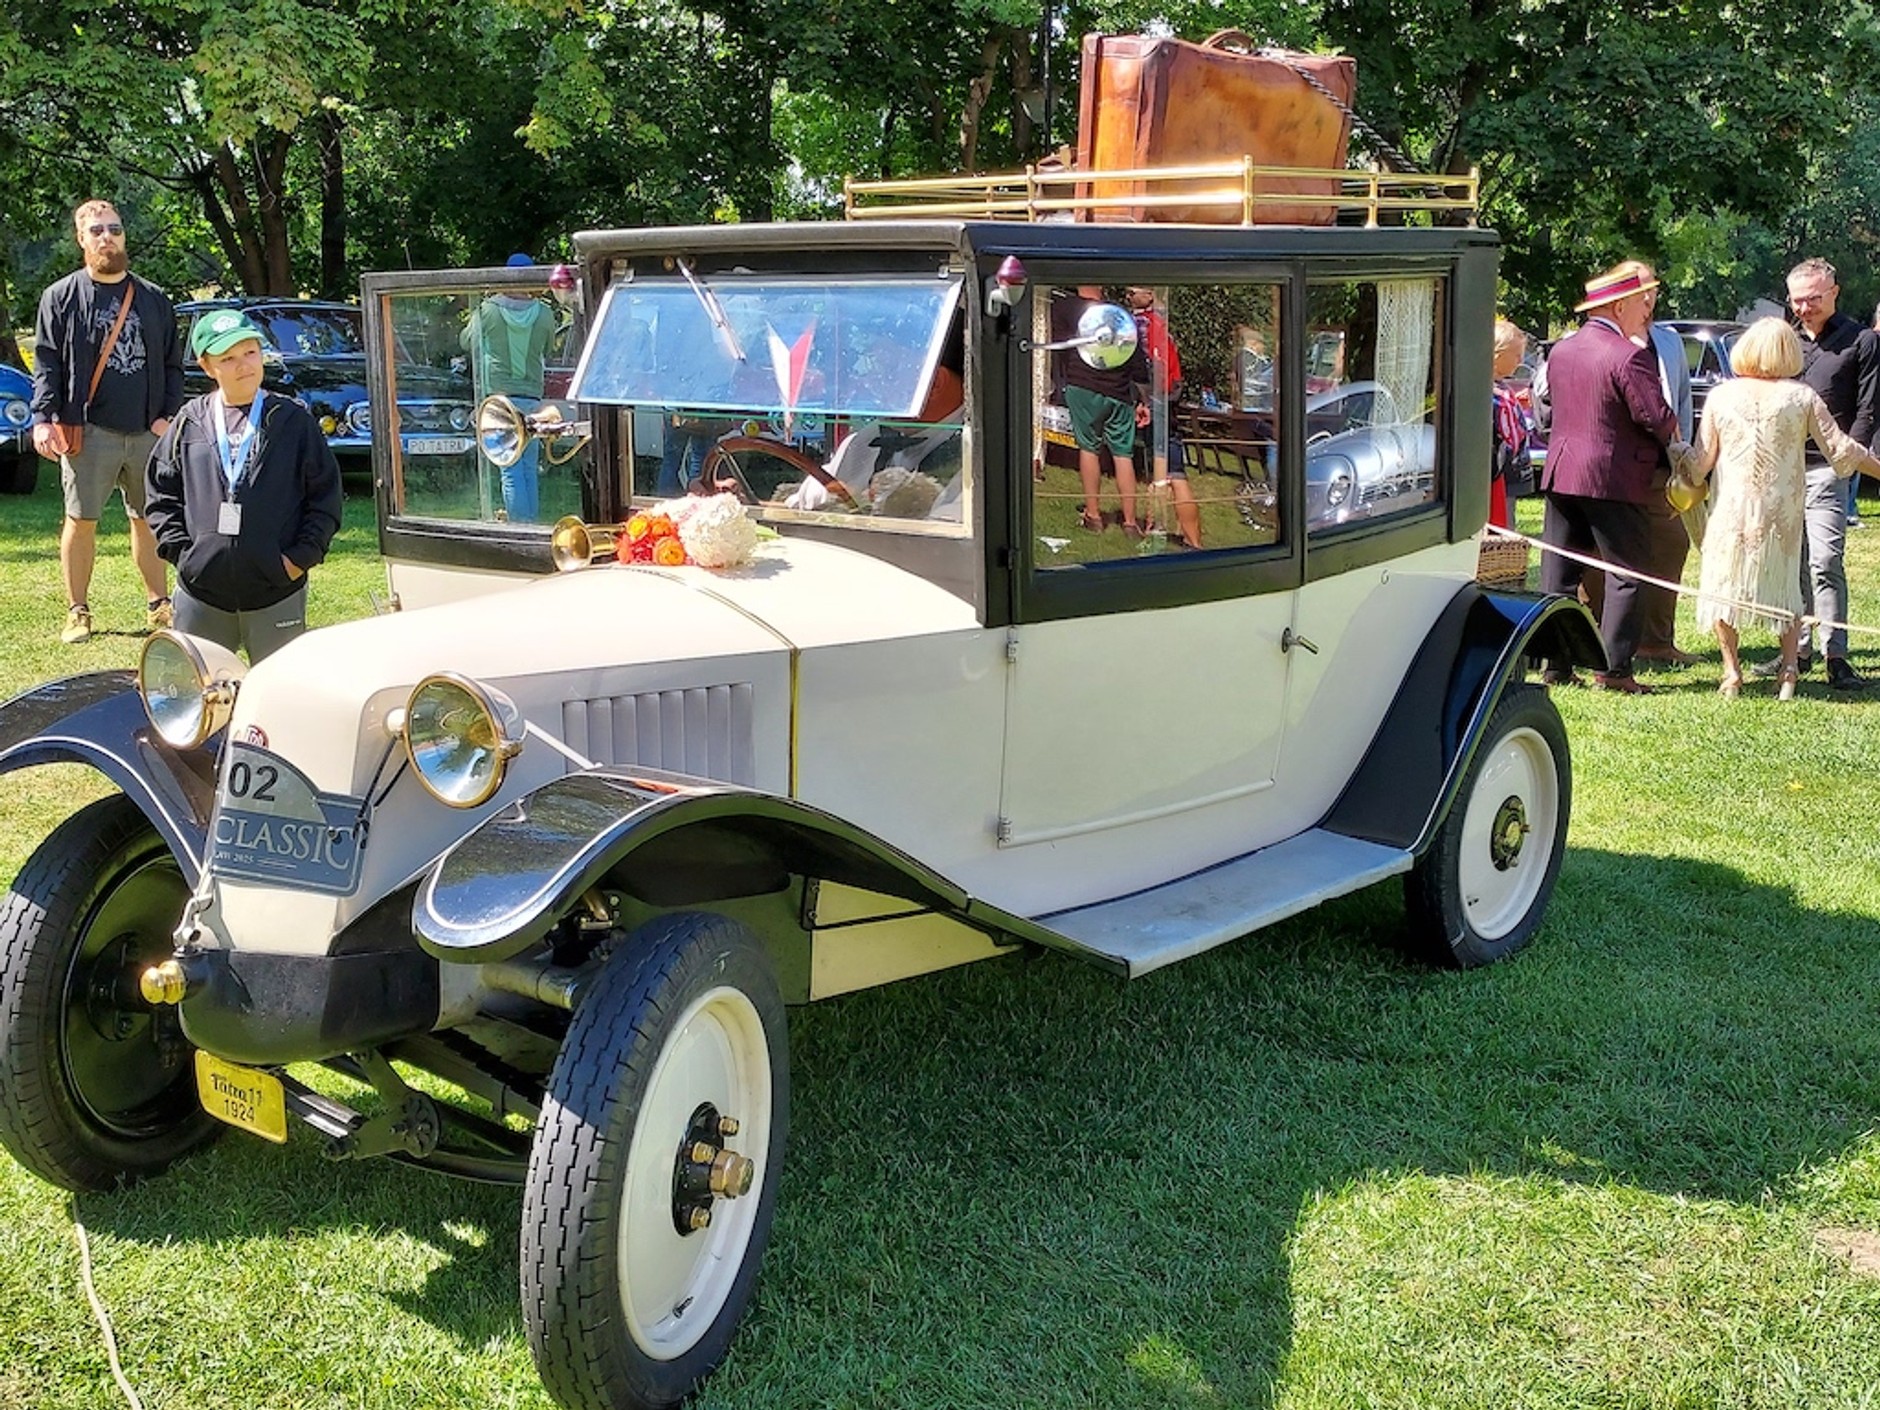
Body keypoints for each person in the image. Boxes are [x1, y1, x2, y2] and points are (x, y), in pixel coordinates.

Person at [1688, 318, 1880, 698]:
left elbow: (1700, 463)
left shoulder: (1720, 396)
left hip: (1732, 508)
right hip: (1783, 511)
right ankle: (1790, 670)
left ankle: (1732, 673)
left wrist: (1676, 454)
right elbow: (1840, 449)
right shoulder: (1802, 396)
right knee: (1787, 587)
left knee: (1724, 585)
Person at [144, 308, 342, 663]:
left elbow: (324, 497)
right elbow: (161, 495)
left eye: (250, 352)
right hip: (201, 594)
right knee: (201, 690)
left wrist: (297, 560)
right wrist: (185, 557)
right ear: (207, 367)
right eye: (228, 358)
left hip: (276, 591)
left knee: (278, 689)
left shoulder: (292, 420)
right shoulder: (189, 421)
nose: (243, 365)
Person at [29, 199, 182, 644]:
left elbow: (173, 364)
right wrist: (43, 418)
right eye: (96, 231)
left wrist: (167, 417)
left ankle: (159, 604)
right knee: (81, 520)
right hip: (87, 429)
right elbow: (46, 363)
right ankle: (78, 610)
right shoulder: (60, 297)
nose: (107, 238)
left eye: (114, 229)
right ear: (81, 238)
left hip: (147, 431)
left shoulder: (153, 298)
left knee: (148, 520)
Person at [1535, 263, 1689, 694]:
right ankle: (1614, 670)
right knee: (1627, 572)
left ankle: (1556, 666)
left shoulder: (1562, 351)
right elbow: (1656, 416)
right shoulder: (1629, 355)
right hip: (1614, 478)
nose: (1647, 310)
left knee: (1559, 573)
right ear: (1619, 307)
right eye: (1641, 302)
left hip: (1562, 473)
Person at [1751, 258, 1876, 690]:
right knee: (1792, 565)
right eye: (1797, 300)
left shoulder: (1861, 341)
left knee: (1825, 561)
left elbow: (1868, 409)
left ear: (1834, 293)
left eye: (1814, 299)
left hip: (1828, 470)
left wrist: (1849, 459)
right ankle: (1797, 651)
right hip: (1783, 471)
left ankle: (1835, 655)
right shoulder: (1785, 340)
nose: (1804, 308)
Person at [462, 254, 557, 521]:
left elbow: (466, 341)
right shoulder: (544, 314)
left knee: (509, 468)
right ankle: (531, 526)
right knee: (528, 467)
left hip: (499, 401)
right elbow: (549, 347)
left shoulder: (487, 310)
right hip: (532, 396)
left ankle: (519, 528)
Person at [1054, 286, 1150, 536]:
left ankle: (1094, 516)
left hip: (1083, 385)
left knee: (1089, 448)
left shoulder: (1064, 307)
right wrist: (1143, 400)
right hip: (1119, 392)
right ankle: (1130, 523)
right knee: (1123, 454)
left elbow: (1059, 346)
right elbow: (1137, 360)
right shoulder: (1119, 314)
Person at [1126, 286, 1201, 549]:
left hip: (1156, 402)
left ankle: (1164, 534)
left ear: (1149, 294)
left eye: (1133, 291)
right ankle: (1187, 539)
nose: (1128, 296)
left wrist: (1144, 401)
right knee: (1173, 472)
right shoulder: (1161, 323)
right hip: (1167, 401)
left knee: (1167, 472)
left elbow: (1149, 367)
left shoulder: (1143, 324)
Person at [1490, 319, 1532, 527]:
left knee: (1507, 520)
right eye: (1516, 355)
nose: (1520, 360)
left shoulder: (1502, 390)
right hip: (1500, 474)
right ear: (1497, 355)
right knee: (1501, 524)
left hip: (1510, 474)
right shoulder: (1492, 394)